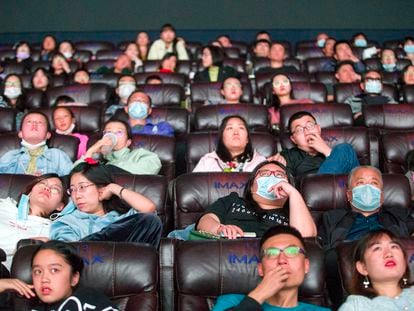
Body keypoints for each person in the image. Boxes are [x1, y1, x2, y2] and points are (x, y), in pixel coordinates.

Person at [319, 166, 414, 308]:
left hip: (396, 276)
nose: (367, 188)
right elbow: (324, 250)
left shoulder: (400, 215)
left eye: (374, 183)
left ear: (381, 197)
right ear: (349, 195)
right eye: (360, 183)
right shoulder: (332, 218)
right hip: (350, 276)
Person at [213, 226, 329, 310]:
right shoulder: (231, 302)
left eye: (292, 251)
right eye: (272, 253)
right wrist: (258, 295)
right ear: (260, 269)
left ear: (306, 266)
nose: (282, 260)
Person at [50, 162, 162, 247]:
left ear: (101, 188)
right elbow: (68, 251)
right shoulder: (67, 222)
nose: (77, 195)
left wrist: (114, 188)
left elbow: (148, 210)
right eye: (72, 190)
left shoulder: (122, 219)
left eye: (82, 187)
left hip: (124, 269)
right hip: (88, 265)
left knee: (151, 221)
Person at [196, 160, 317, 238]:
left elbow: (306, 238)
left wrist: (293, 194)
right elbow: (205, 221)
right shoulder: (233, 201)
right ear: (251, 186)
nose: (272, 177)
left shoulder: (295, 210)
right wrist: (219, 229)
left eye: (279, 175)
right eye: (264, 174)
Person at [0, 174, 67, 269]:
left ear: (60, 206)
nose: (47, 188)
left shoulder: (53, 231)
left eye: (55, 189)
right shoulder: (4, 205)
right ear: (30, 191)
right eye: (42, 183)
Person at [29, 240, 118, 310]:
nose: (44, 279)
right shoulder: (33, 305)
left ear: (74, 278)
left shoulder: (89, 299)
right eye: (38, 272)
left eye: (54, 270)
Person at [338, 229, 414, 311]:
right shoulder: (356, 306)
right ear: (363, 268)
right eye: (377, 248)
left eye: (394, 247)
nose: (389, 254)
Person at [271, 111, 359, 178]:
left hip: (342, 192)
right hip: (311, 196)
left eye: (309, 126)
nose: (306, 132)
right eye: (299, 130)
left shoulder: (340, 153)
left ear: (318, 129)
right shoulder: (288, 156)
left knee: (345, 149)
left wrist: (326, 150)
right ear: (293, 139)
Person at [76, 119, 161, 175]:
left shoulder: (137, 154)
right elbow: (75, 174)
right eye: (108, 132)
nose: (113, 135)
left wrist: (106, 170)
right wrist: (90, 151)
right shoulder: (100, 163)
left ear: (128, 142)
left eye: (119, 132)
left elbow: (153, 165)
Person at [0, 111, 73, 176]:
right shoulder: (10, 156)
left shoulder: (58, 156)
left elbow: (69, 183)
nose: (34, 124)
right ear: (20, 133)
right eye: (29, 122)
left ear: (48, 135)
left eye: (40, 122)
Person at [193, 115, 266, 172]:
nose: (236, 132)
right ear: (222, 138)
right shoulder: (207, 162)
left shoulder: (260, 162)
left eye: (241, 128)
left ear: (247, 139)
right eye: (230, 128)